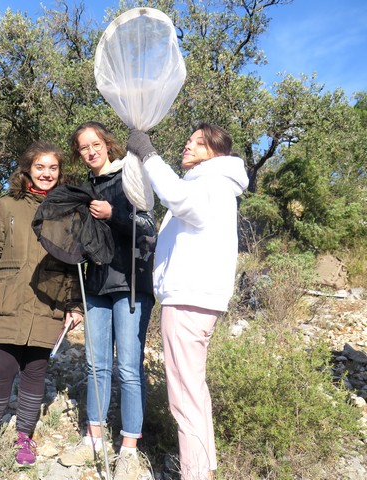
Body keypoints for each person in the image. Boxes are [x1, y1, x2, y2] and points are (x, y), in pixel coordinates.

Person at [127, 123, 249, 480]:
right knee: (194, 390)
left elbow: (178, 199)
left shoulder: (209, 183)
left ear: (216, 153)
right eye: (189, 140)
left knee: (183, 395)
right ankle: (204, 469)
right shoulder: (217, 185)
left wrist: (148, 155)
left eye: (199, 142)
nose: (188, 145)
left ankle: (194, 474)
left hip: (188, 299)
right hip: (198, 298)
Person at [0, 140, 83, 467]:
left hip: (49, 300)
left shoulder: (68, 208)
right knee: (2, 369)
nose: (46, 173)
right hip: (9, 295)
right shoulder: (8, 203)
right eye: (40, 167)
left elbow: (74, 262)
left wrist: (75, 304)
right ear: (28, 168)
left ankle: (25, 436)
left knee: (35, 370)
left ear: (59, 172)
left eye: (53, 168)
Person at [58, 121, 156, 479]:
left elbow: (148, 227)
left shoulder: (130, 174)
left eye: (95, 143)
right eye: (83, 147)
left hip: (131, 284)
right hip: (97, 285)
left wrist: (114, 214)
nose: (90, 151)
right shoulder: (84, 190)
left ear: (107, 144)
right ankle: (94, 439)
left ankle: (129, 449)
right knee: (96, 365)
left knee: (129, 369)